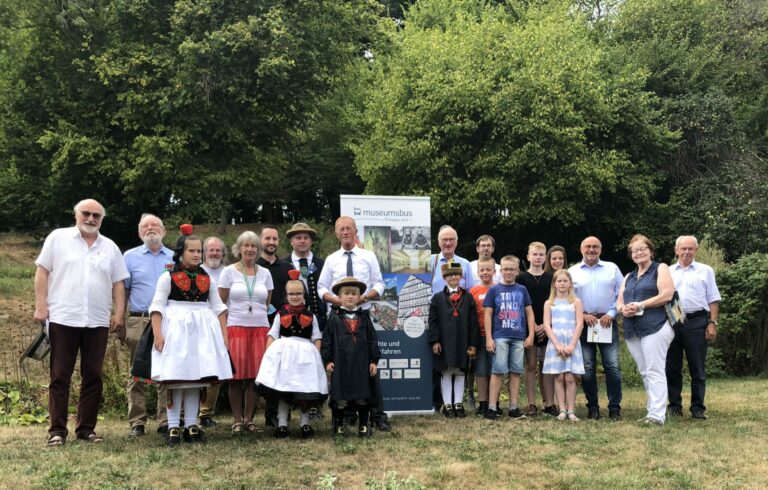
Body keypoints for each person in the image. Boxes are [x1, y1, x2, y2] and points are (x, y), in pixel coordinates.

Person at [34, 199, 129, 447]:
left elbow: (118, 283)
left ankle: (86, 429)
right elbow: (42, 272)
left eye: (96, 215)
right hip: (63, 317)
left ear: (102, 219)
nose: (90, 219)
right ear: (76, 215)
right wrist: (40, 306)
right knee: (59, 375)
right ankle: (57, 431)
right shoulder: (58, 238)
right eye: (86, 213)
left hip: (97, 321)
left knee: (93, 376)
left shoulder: (110, 247)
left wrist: (119, 314)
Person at [147, 228, 232, 446]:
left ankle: (192, 424)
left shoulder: (208, 279)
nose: (197, 254)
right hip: (176, 332)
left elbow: (219, 308)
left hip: (202, 334)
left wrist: (224, 337)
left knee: (195, 379)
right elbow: (157, 306)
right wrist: (158, 334)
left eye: (199, 251)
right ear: (180, 252)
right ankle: (174, 426)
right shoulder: (168, 277)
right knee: (177, 379)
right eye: (192, 250)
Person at [317, 216, 389, 431]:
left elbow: (379, 284)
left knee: (368, 370)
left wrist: (365, 297)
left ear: (356, 232)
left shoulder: (368, 256)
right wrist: (336, 300)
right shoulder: (331, 259)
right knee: (343, 369)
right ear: (337, 233)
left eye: (349, 228)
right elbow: (321, 287)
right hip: (338, 318)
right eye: (341, 229)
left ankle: (377, 415)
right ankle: (346, 415)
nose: (346, 232)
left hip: (362, 315)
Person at [255, 273, 328, 438]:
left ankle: (305, 423)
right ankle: (282, 425)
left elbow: (316, 337)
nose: (295, 297)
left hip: (305, 358)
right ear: (286, 296)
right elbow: (272, 335)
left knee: (305, 392)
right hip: (285, 356)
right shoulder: (280, 315)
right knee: (284, 391)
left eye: (299, 294)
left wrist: (316, 357)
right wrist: (268, 358)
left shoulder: (311, 316)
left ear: (304, 295)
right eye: (292, 294)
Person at [123, 214, 174, 437]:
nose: (150, 229)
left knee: (167, 370)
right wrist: (119, 318)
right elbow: (123, 290)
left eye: (155, 225)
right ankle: (137, 421)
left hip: (168, 319)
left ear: (163, 231)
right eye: (145, 226)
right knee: (137, 371)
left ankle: (165, 419)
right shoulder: (129, 257)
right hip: (139, 319)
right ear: (139, 232)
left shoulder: (175, 256)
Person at [218, 231, 274, 434]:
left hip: (260, 329)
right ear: (239, 248)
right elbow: (221, 304)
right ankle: (236, 420)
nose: (250, 249)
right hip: (235, 327)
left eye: (254, 246)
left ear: (258, 250)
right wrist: (223, 332)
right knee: (235, 376)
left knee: (254, 377)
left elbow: (266, 303)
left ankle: (249, 419)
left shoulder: (265, 274)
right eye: (246, 245)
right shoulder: (228, 272)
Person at [617, 234, 676, 425]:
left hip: (655, 326)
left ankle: (657, 415)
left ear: (650, 251)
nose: (639, 253)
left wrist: (640, 305)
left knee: (655, 370)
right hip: (633, 329)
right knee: (644, 371)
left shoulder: (660, 268)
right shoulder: (629, 276)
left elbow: (667, 294)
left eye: (643, 249)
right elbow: (619, 301)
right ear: (631, 254)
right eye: (635, 250)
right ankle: (652, 410)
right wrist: (622, 309)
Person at [568, 236, 624, 421]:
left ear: (600, 249)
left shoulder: (612, 268)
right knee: (587, 367)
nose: (591, 249)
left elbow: (621, 294)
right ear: (581, 249)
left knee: (612, 366)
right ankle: (592, 407)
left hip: (607, 321)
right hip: (583, 324)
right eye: (588, 246)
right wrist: (582, 315)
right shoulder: (572, 271)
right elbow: (567, 298)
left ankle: (614, 407)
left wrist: (612, 313)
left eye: (595, 247)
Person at [667, 235, 721, 420]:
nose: (687, 252)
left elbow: (713, 298)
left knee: (697, 368)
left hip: (698, 322)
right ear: (676, 250)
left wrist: (712, 323)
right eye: (683, 249)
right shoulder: (667, 271)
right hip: (673, 321)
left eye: (690, 249)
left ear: (696, 250)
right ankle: (674, 406)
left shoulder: (706, 270)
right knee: (672, 367)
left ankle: (698, 408)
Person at [322, 277, 382, 437]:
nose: (350, 297)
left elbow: (372, 340)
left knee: (363, 396)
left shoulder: (364, 318)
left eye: (354, 294)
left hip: (362, 365)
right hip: (341, 365)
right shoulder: (334, 318)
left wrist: (374, 361)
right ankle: (339, 425)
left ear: (360, 297)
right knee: (341, 397)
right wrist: (327, 360)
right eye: (346, 294)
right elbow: (327, 341)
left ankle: (363, 425)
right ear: (339, 297)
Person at [483, 255, 536, 420]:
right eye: (505, 269)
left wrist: (531, 334)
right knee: (497, 371)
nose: (508, 272)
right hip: (500, 337)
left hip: (518, 337)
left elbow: (529, 312)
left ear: (517, 271)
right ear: (501, 270)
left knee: (515, 372)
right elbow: (488, 314)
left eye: (512, 269)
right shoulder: (494, 290)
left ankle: (513, 407)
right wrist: (489, 338)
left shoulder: (522, 290)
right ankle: (491, 407)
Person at [429, 262, 479, 418]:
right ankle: (448, 405)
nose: (453, 277)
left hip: (463, 340)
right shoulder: (437, 298)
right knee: (446, 371)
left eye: (456, 274)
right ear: (444, 278)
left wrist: (472, 344)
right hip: (444, 341)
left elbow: (473, 322)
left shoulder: (468, 297)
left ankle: (458, 403)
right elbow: (433, 321)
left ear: (461, 277)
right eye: (449, 275)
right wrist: (435, 341)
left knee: (460, 372)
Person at [516, 242, 556, 417]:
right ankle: (531, 403)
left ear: (545, 256)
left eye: (541, 254)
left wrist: (547, 326)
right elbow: (519, 305)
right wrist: (532, 326)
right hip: (528, 327)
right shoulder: (521, 279)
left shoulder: (551, 278)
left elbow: (555, 303)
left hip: (548, 326)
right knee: (531, 365)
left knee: (546, 366)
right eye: (535, 254)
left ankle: (549, 403)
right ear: (528, 257)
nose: (538, 257)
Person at [542, 270, 585, 421]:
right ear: (554, 284)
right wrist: (557, 344)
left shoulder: (576, 302)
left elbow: (579, 324)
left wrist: (572, 344)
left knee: (570, 377)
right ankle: (561, 409)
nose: (562, 284)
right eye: (559, 281)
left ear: (570, 284)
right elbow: (547, 325)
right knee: (559, 377)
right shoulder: (549, 303)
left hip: (571, 342)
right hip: (556, 344)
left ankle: (571, 410)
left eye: (565, 281)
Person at [199, 235, 227, 427]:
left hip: (221, 325)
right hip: (199, 326)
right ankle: (190, 413)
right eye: (211, 250)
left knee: (215, 372)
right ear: (204, 253)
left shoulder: (229, 272)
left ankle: (206, 413)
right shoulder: (198, 271)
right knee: (195, 371)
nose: (215, 253)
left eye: (218, 250)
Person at [280, 223, 326, 330]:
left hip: (318, 320)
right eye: (298, 238)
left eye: (306, 238)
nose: (302, 241)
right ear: (291, 241)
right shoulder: (282, 264)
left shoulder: (322, 264)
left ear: (311, 241)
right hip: (289, 320)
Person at [469, 258, 495, 416]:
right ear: (478, 272)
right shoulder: (473, 291)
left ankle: (494, 402)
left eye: (488, 270)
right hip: (479, 336)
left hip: (495, 337)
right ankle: (483, 402)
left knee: (494, 371)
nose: (485, 272)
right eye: (482, 270)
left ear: (494, 271)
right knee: (480, 370)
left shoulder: (499, 289)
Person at [429, 226, 475, 294]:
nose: (448, 243)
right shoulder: (429, 261)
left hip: (459, 304)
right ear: (439, 242)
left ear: (456, 242)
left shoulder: (465, 264)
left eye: (451, 239)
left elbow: (471, 291)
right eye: (444, 239)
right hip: (435, 304)